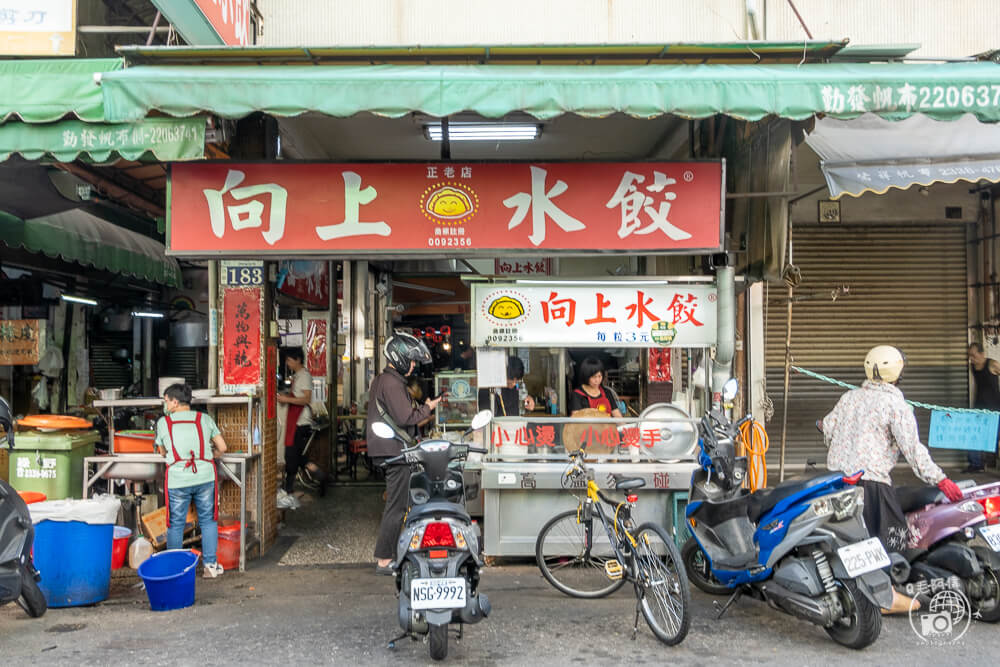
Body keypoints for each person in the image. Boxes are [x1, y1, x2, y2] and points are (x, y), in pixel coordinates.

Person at [821, 345, 964, 613]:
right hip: (872, 484)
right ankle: (883, 595)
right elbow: (913, 450)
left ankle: (857, 591)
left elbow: (827, 428)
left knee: (848, 540)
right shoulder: (895, 405)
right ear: (897, 372)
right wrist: (941, 479)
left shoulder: (848, 398)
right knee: (891, 538)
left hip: (837, 483)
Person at [368, 332, 443, 575]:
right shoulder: (392, 383)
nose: (412, 366)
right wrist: (428, 408)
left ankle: (398, 550)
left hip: (389, 449)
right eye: (411, 361)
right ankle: (383, 559)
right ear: (399, 358)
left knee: (399, 503)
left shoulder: (384, 380)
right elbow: (405, 417)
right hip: (394, 451)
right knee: (396, 506)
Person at [155, 383, 228, 578]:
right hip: (205, 476)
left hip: (178, 479)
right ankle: (210, 566)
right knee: (208, 521)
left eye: (166, 401)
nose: (165, 405)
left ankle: (175, 568)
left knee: (176, 524)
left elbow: (162, 451)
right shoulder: (204, 419)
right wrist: (210, 454)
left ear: (175, 402)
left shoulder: (164, 423)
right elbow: (223, 447)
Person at [277, 348, 327, 495]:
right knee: (297, 457)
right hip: (297, 422)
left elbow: (306, 398)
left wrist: (286, 399)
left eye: (289, 360)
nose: (287, 363)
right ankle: (291, 487)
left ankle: (291, 488)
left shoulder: (304, 375)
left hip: (301, 423)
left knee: (293, 457)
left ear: (298, 359)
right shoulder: (297, 376)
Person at [966, 342, 1000, 472]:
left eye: (974, 356)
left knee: (995, 439)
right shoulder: (973, 367)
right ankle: (976, 464)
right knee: (973, 435)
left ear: (982, 354)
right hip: (979, 408)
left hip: (995, 409)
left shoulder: (992, 364)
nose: (972, 359)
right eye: (970, 356)